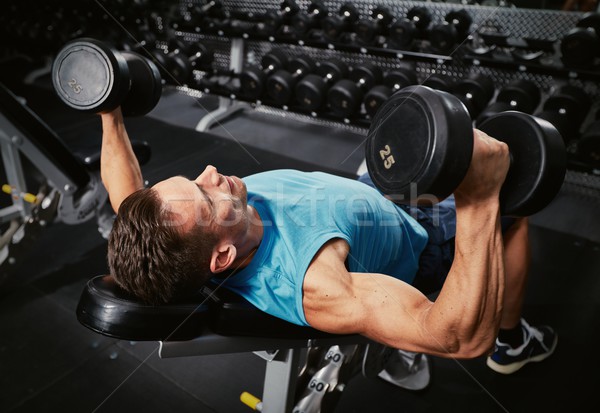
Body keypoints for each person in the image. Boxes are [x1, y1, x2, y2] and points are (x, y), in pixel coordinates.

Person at [100, 106, 557, 380]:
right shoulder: (316, 282)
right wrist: (480, 199)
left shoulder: (170, 228)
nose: (210, 175)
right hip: (423, 235)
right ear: (222, 256)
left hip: (371, 198)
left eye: (193, 179)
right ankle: (514, 342)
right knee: (514, 218)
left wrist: (108, 109)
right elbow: (457, 339)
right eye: (204, 195)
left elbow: (126, 197)